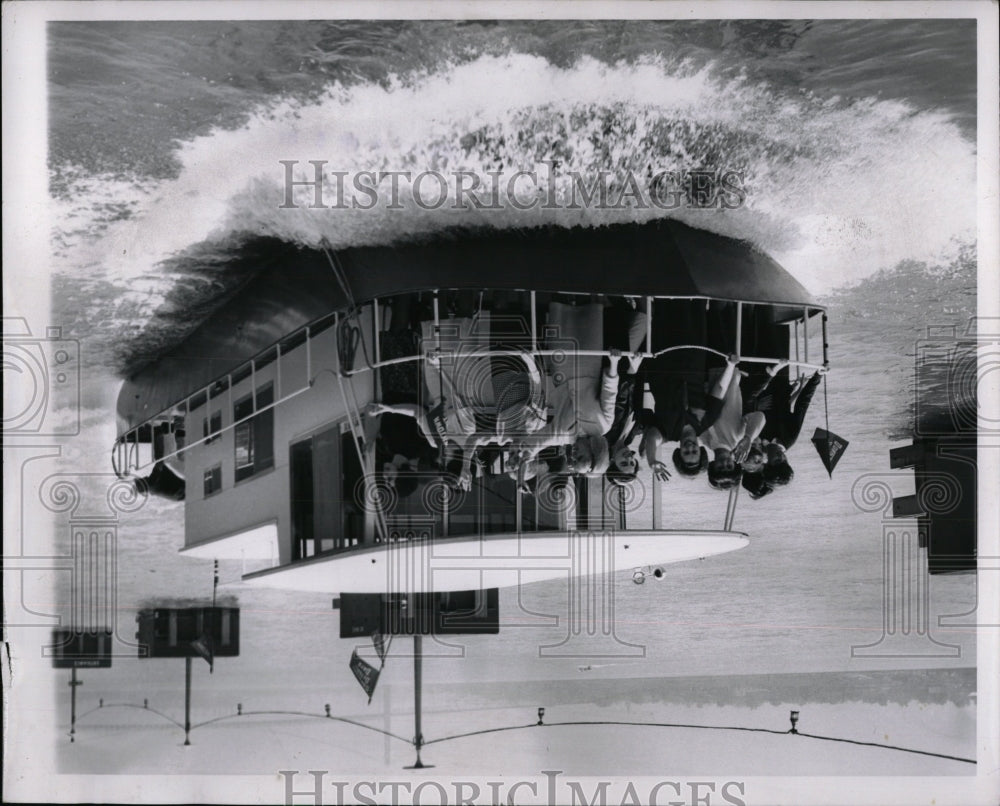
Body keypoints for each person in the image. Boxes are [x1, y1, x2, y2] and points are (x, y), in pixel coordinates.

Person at [642, 352, 742, 479]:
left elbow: (651, 438)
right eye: (695, 451)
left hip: (661, 360)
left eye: (686, 452)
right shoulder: (706, 422)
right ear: (701, 450)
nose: (690, 447)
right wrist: (730, 366)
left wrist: (651, 460)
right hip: (694, 357)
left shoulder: (667, 433)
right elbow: (720, 388)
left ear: (679, 453)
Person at [700, 357, 767, 490]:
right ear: (734, 464)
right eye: (729, 466)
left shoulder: (703, 439)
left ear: (712, 465)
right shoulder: (738, 437)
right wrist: (748, 438)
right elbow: (760, 416)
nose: (724, 462)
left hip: (702, 374)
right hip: (725, 369)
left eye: (720, 467)